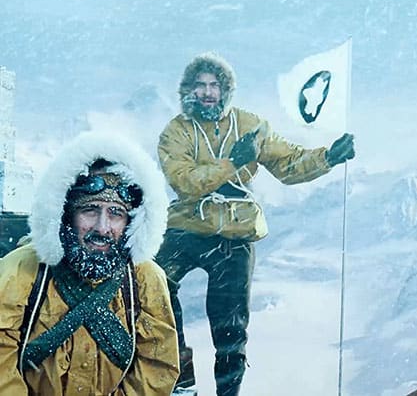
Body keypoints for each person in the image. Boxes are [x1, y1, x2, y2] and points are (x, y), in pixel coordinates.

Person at [157, 51, 355, 396]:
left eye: (214, 85)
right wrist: (232, 163)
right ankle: (180, 376)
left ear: (225, 90)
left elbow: (289, 163)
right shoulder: (175, 132)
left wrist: (328, 157)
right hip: (187, 225)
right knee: (154, 284)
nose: (207, 93)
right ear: (188, 91)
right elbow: (183, 181)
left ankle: (228, 393)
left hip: (235, 231)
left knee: (230, 325)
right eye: (200, 86)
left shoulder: (250, 125)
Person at [0, 130, 179, 395]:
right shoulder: (21, 269)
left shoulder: (144, 277)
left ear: (131, 222)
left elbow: (157, 367)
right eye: (89, 210)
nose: (102, 227)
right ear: (67, 215)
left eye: (116, 213)